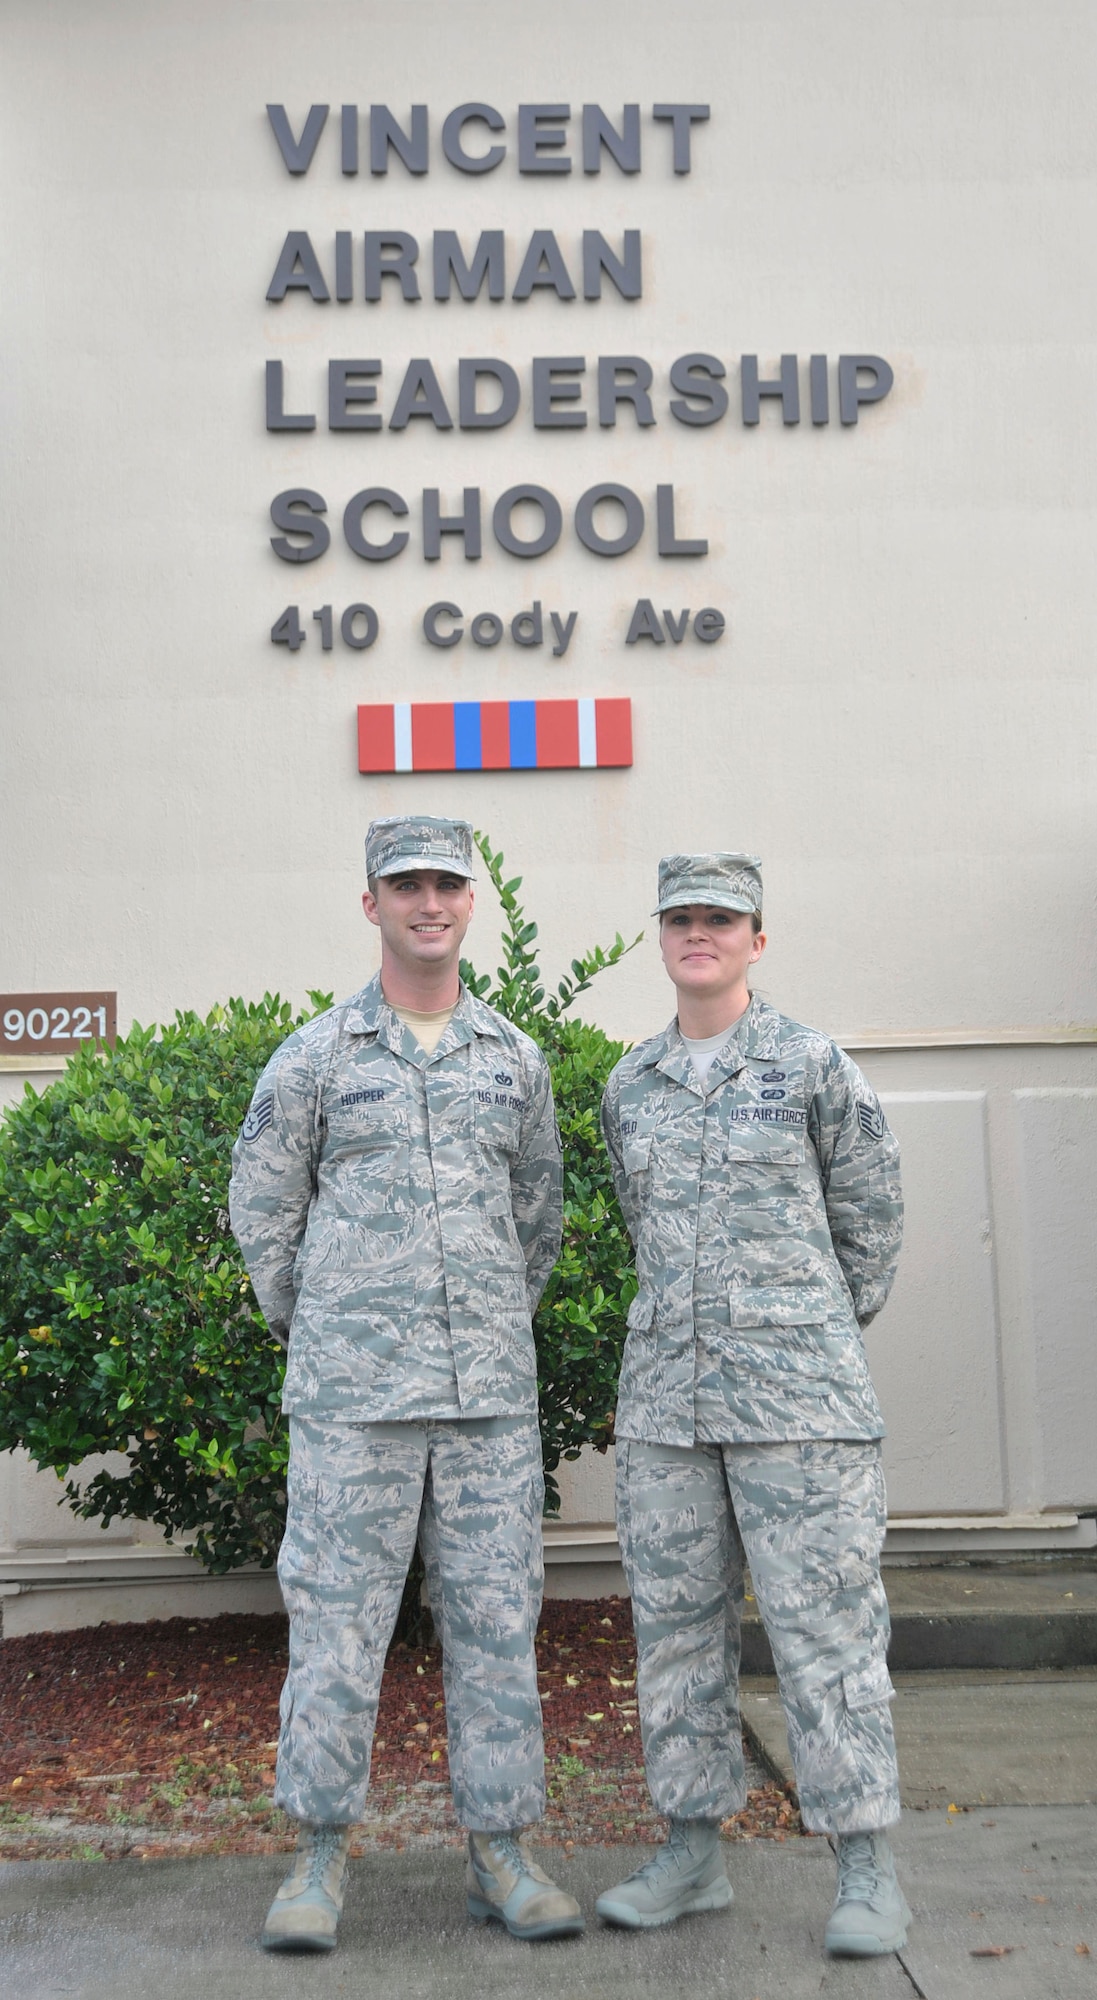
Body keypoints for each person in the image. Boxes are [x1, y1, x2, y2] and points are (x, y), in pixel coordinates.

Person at [229, 816, 582, 1952]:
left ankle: (500, 1853)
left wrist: (474, 1325)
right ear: (369, 902)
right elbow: (264, 1218)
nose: (427, 902)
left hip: (484, 1402)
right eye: (405, 884)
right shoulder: (315, 1057)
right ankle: (318, 1858)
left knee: (494, 1626)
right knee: (334, 1626)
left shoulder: (511, 1060)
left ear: (470, 901)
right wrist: (335, 1329)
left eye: (446, 883)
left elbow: (537, 1220)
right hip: (350, 1404)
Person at [596, 852, 911, 1958]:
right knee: (674, 1635)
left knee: (825, 1637)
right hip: (667, 1413)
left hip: (799, 1413)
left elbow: (868, 1224)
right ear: (661, 935)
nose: (699, 933)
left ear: (754, 937)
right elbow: (644, 1225)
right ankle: (690, 1850)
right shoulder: (629, 1083)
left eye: (719, 918)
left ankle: (865, 1861)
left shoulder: (813, 1064)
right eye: (680, 916)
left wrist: (797, 1332)